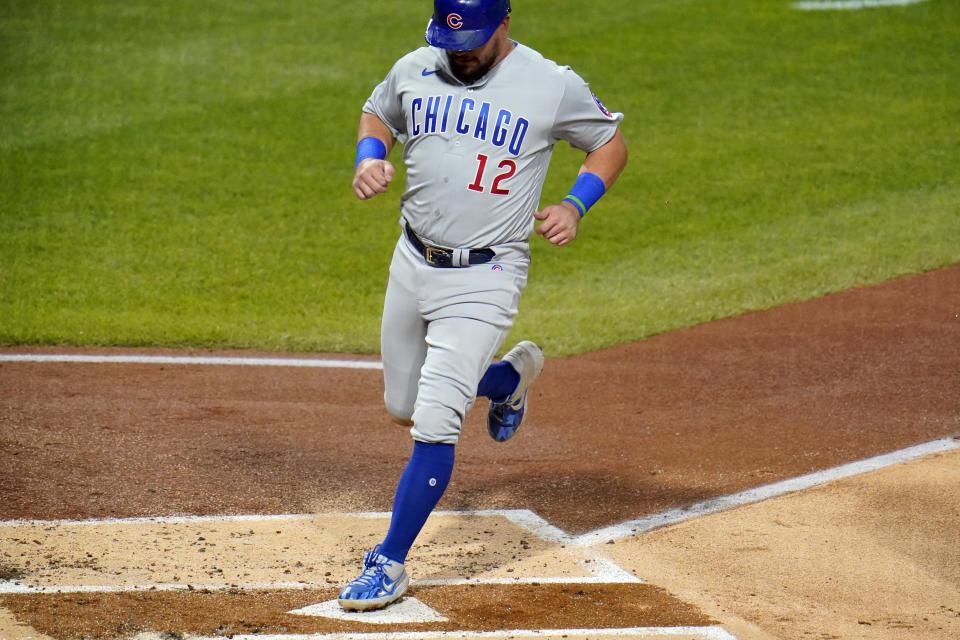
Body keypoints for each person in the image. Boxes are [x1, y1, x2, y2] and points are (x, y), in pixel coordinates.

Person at [338, 0, 628, 611]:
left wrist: (575, 204)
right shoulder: (417, 66)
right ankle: (507, 379)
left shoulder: (551, 84)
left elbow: (608, 144)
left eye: (472, 38)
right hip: (412, 259)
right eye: (451, 39)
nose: (461, 51)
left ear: (504, 24)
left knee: (434, 423)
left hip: (486, 273)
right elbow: (376, 113)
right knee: (403, 406)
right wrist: (369, 158)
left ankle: (388, 562)